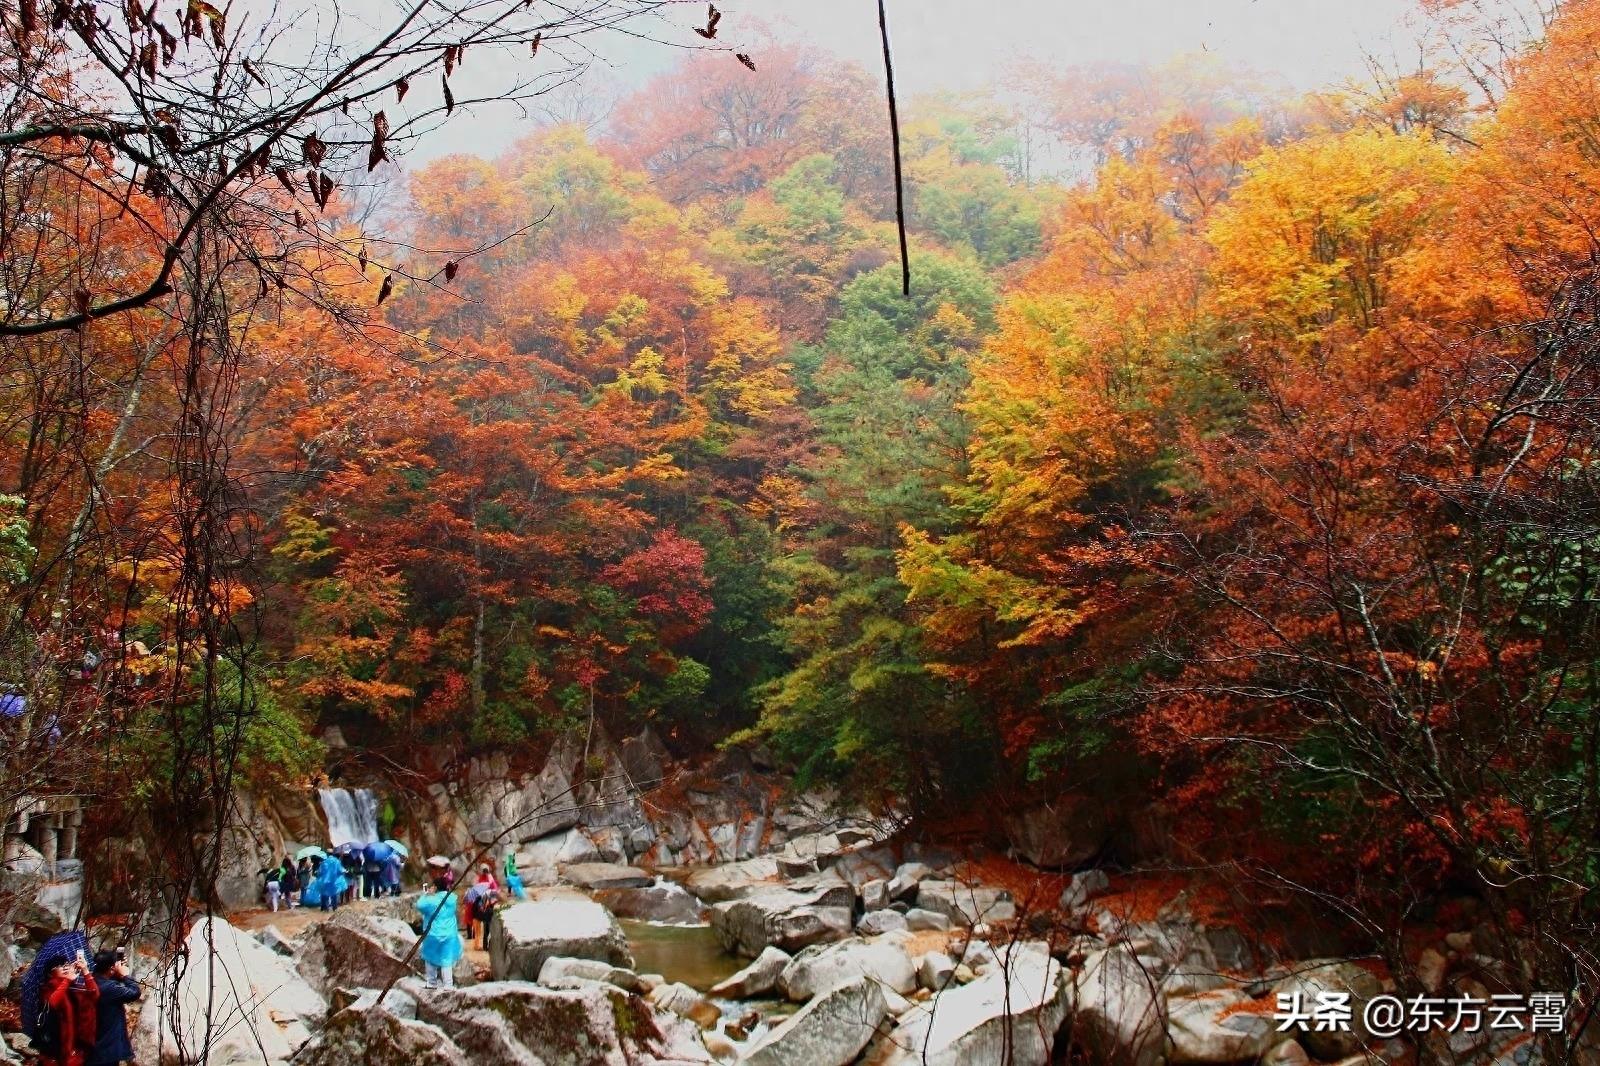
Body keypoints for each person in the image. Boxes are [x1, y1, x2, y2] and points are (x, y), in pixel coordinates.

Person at [35, 952, 99, 1066]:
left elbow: (95, 995)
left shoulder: (73, 988)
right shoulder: (47, 988)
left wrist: (85, 970)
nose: (65, 967)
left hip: (74, 1048)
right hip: (55, 1049)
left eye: (66, 964)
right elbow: (52, 1005)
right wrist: (67, 980)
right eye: (59, 965)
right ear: (50, 974)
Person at [86, 949, 139, 1066]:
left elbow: (106, 982)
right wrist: (125, 975)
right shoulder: (109, 988)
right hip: (107, 1049)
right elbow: (134, 992)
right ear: (111, 969)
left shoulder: (91, 981)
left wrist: (115, 973)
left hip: (94, 1047)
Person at [414, 876, 463, 988]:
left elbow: (419, 905)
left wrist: (426, 895)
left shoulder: (431, 900)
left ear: (435, 887)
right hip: (449, 933)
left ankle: (431, 982)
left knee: (430, 957)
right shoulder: (452, 899)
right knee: (447, 959)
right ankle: (448, 985)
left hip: (433, 933)